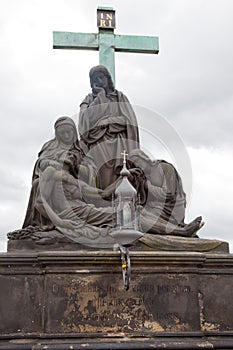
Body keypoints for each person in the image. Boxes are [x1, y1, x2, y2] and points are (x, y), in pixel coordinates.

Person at [22, 116, 96, 228]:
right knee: (38, 184)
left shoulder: (81, 148)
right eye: (62, 133)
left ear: (74, 131)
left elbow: (92, 172)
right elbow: (41, 163)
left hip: (74, 186)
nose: (66, 135)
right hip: (54, 182)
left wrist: (75, 165)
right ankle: (52, 221)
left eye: (69, 132)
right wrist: (54, 163)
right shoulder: (49, 146)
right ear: (57, 133)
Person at [78, 65, 140, 189]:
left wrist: (108, 121)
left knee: (120, 174)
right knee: (101, 177)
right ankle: (103, 201)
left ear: (108, 78)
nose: (99, 81)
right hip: (98, 144)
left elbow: (129, 121)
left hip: (119, 144)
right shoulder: (89, 99)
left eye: (101, 77)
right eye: (95, 79)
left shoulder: (119, 97)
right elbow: (84, 123)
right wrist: (100, 96)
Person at [128, 149, 195, 228]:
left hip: (171, 211)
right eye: (134, 165)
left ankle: (181, 231)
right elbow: (141, 198)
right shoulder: (145, 177)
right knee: (133, 214)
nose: (137, 165)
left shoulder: (165, 167)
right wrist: (128, 174)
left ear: (144, 158)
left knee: (141, 218)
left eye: (137, 161)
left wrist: (147, 186)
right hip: (156, 208)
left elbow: (168, 194)